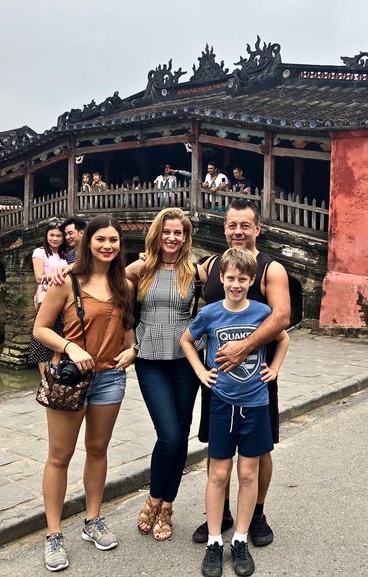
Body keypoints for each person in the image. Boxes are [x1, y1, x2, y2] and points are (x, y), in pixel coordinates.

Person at [33, 215, 137, 571]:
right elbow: (40, 329)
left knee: (97, 449)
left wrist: (133, 349)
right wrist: (70, 347)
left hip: (110, 378)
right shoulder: (66, 281)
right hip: (70, 377)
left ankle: (93, 520)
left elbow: (126, 331)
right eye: (101, 239)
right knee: (59, 456)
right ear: (87, 241)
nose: (108, 246)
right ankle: (53, 534)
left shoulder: (125, 284)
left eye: (114, 240)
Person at [181, 248, 290, 577]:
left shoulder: (261, 311)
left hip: (255, 403)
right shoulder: (211, 313)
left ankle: (240, 539)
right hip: (222, 404)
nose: (236, 284)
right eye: (230, 278)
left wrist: (275, 368)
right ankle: (215, 540)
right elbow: (187, 340)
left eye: (243, 279)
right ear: (222, 279)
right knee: (218, 474)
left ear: (252, 280)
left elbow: (282, 338)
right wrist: (201, 372)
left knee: (247, 474)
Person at [125, 207, 204, 542]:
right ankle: (154, 496)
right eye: (167, 232)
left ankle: (166, 505)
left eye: (179, 233)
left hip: (185, 358)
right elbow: (103, 272)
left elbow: (231, 286)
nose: (172, 238)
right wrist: (65, 269)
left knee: (181, 433)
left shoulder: (195, 271)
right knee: (169, 434)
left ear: (186, 237)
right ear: (157, 233)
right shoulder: (142, 267)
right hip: (150, 358)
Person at [30, 222, 68, 379]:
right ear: (46, 236)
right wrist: (60, 275)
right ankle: (45, 378)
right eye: (52, 235)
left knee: (61, 331)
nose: (55, 238)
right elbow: (39, 277)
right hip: (46, 297)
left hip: (63, 298)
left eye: (59, 235)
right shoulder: (39, 253)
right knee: (43, 334)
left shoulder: (65, 254)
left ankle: (56, 369)